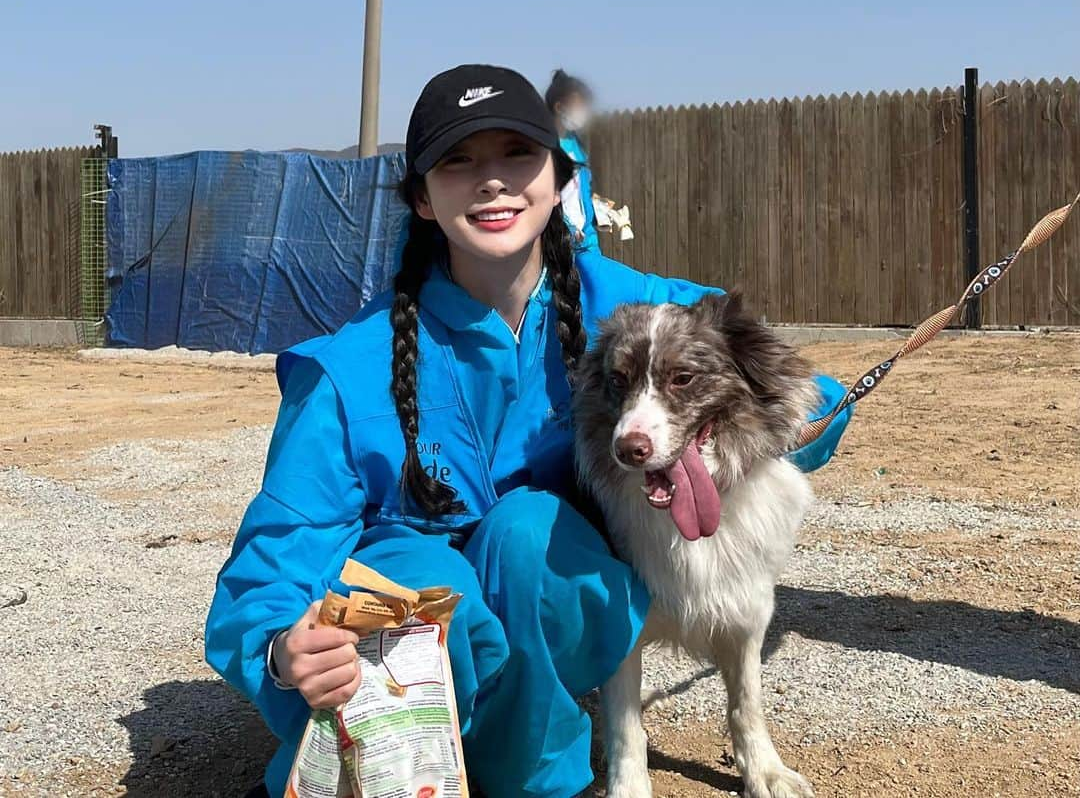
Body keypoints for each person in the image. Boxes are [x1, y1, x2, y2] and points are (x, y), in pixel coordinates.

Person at [205, 65, 852, 798]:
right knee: (427, 577)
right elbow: (271, 561)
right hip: (413, 668)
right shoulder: (346, 371)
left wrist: (789, 418)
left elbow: (783, 381)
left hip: (543, 629)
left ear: (557, 176)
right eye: (458, 161)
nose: (492, 182)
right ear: (422, 196)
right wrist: (280, 646)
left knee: (531, 535)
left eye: (517, 153)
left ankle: (536, 774)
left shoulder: (629, 309)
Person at [545, 68, 599, 250]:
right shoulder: (546, 147)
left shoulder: (575, 144)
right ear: (559, 107)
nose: (582, 111)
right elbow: (545, 198)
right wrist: (567, 226)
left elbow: (580, 191)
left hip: (587, 237)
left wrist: (597, 210)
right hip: (561, 239)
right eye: (578, 105)